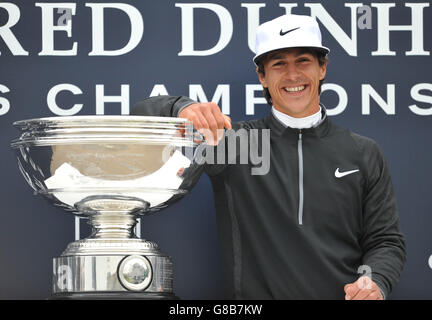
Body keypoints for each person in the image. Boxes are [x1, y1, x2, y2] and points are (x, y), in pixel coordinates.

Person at [132, 14, 406, 300]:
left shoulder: (363, 151)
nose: (292, 75)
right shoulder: (237, 143)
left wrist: (375, 282)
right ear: (262, 76)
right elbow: (141, 113)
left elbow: (386, 241)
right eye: (279, 64)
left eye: (303, 61)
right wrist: (182, 109)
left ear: (322, 68)